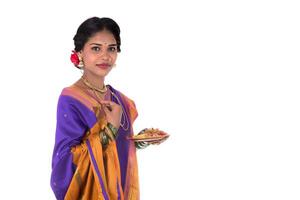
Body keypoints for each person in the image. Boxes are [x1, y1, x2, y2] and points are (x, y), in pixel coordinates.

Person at [50, 17, 153, 200]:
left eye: (111, 49)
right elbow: (65, 161)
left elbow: (117, 149)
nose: (105, 56)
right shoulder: (71, 99)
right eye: (96, 48)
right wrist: (111, 129)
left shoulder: (120, 100)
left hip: (121, 189)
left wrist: (138, 141)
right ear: (80, 52)